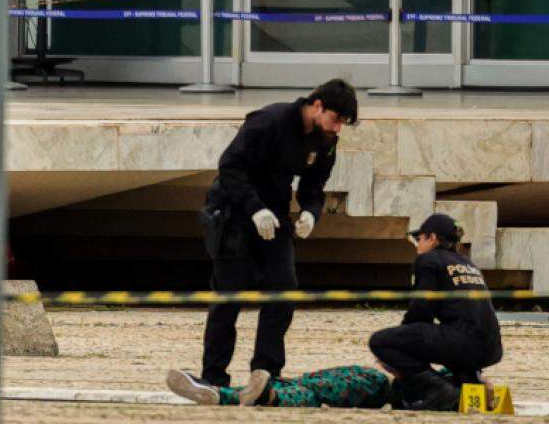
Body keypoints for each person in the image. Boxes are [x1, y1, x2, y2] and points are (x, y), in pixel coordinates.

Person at [195, 79, 358, 388]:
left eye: (343, 124)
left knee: (284, 289)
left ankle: (267, 371)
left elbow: (314, 185)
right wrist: (254, 208)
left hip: (275, 215)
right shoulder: (270, 120)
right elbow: (230, 166)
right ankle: (213, 376)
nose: (337, 128)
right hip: (233, 211)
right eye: (336, 119)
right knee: (230, 296)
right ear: (318, 106)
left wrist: (311, 211)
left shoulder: (325, 140)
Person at [369, 213, 503, 411]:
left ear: (431, 238)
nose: (418, 244)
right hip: (492, 348)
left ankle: (437, 389)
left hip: (465, 343)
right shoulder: (468, 264)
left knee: (380, 341)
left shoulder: (429, 260)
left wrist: (401, 344)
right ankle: (471, 383)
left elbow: (421, 310)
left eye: (419, 238)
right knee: (449, 332)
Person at [166, 365, 391, 408]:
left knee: (309, 393)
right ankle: (216, 394)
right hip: (305, 384)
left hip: (379, 389)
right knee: (299, 388)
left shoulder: (378, 382)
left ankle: (267, 395)